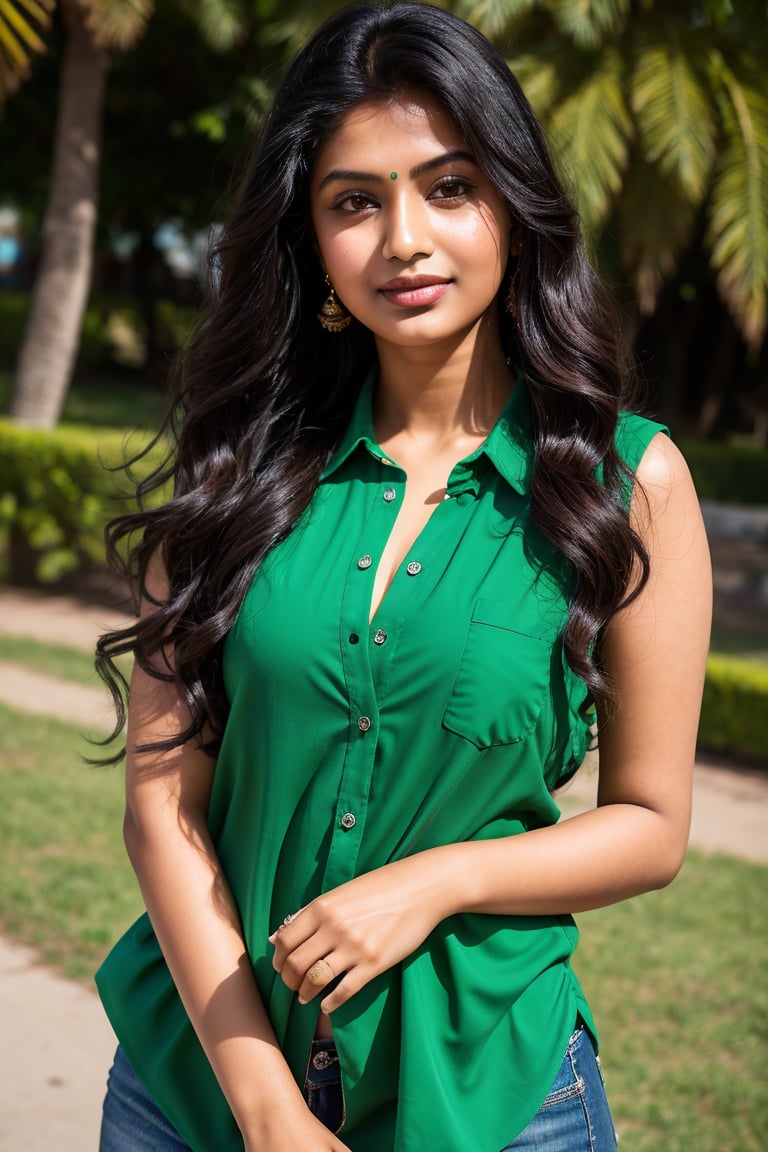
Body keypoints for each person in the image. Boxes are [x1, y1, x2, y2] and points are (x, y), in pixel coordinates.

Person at [94, 4, 712, 1150]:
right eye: (355, 202)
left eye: (450, 187)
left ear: (514, 211)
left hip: (492, 1099)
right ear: (311, 238)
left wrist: (431, 882)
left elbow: (650, 824)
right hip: (198, 1096)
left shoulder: (634, 485)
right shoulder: (238, 473)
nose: (405, 240)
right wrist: (268, 1107)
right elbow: (160, 805)